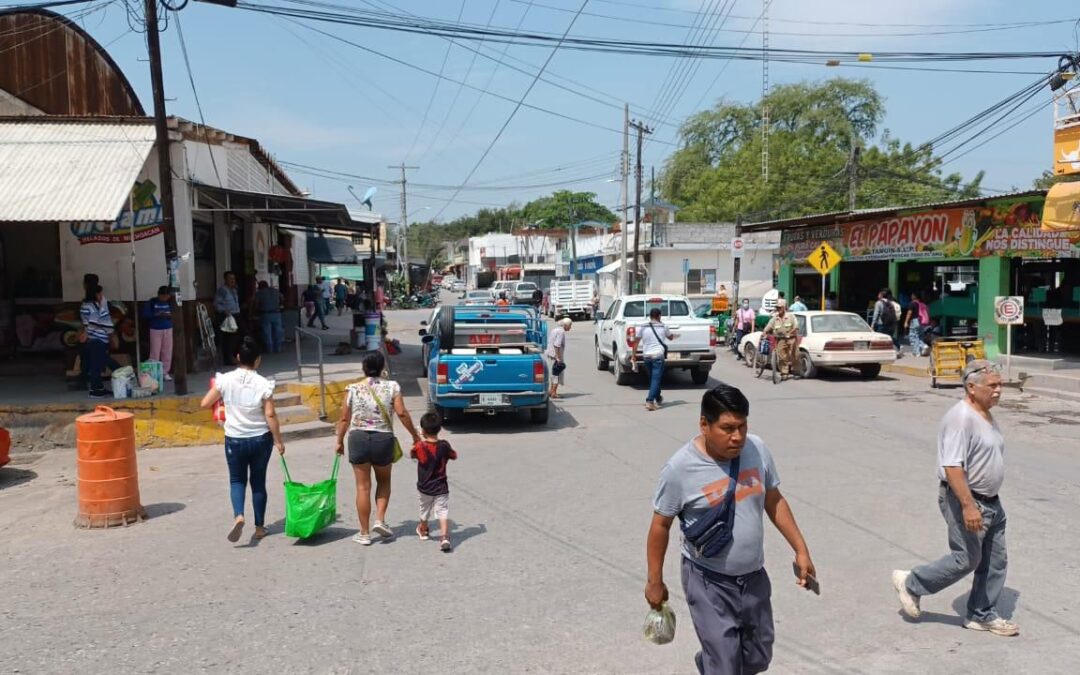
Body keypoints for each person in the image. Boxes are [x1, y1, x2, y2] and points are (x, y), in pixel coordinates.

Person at [647, 384, 816, 674]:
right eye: (727, 428)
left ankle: (709, 663)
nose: (737, 436)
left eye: (742, 426)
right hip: (707, 580)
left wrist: (801, 550)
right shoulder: (680, 468)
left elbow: (774, 500)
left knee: (758, 657)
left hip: (753, 578)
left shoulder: (757, 449)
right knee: (725, 664)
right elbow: (660, 526)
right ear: (704, 425)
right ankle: (715, 664)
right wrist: (654, 581)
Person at [892, 361, 1018, 637]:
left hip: (991, 502)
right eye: (992, 385)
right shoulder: (960, 418)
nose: (998, 390)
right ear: (971, 387)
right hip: (968, 500)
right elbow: (952, 466)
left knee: (994, 561)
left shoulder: (985, 414)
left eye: (1000, 385)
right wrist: (968, 506)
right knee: (966, 559)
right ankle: (912, 583)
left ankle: (981, 615)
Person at [200, 337, 285, 543]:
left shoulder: (225, 380)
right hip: (260, 438)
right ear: (258, 360)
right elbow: (270, 414)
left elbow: (205, 403)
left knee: (237, 480)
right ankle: (259, 527)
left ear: (237, 357)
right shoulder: (264, 383)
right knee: (258, 482)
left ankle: (239, 515)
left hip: (234, 438)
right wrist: (278, 440)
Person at [335, 351, 421, 546]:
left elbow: (344, 419)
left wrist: (339, 441)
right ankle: (380, 520)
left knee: (362, 487)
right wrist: (415, 436)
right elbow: (402, 413)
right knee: (384, 481)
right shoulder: (392, 387)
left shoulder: (352, 388)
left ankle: (364, 533)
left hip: (358, 438)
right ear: (382, 367)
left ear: (364, 368)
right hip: (383, 439)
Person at [412, 412, 458, 552]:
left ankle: (423, 529)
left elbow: (412, 453)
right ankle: (444, 537)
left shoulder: (420, 446)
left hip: (425, 486)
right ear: (439, 428)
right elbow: (454, 455)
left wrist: (418, 440)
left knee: (424, 509)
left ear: (423, 430)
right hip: (441, 486)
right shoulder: (444, 445)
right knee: (442, 511)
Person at [80, 284, 119, 398]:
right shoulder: (92, 306)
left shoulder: (86, 305)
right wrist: (87, 333)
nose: (102, 295)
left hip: (95, 339)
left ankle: (99, 387)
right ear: (96, 294)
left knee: (99, 362)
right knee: (97, 366)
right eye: (100, 293)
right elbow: (94, 322)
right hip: (97, 339)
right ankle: (95, 389)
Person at [634, 307, 675, 411]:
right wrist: (675, 335)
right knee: (656, 379)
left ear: (650, 316)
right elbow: (670, 337)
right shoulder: (663, 326)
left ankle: (657, 397)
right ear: (659, 316)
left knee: (653, 378)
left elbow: (636, 341)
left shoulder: (643, 327)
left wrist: (634, 355)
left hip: (646, 357)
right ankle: (650, 401)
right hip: (658, 356)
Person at [143, 286, 174, 381]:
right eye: (163, 296)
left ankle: (165, 372)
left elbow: (174, 313)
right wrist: (156, 314)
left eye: (167, 296)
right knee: (155, 352)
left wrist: (169, 315)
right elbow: (145, 315)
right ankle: (154, 373)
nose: (165, 298)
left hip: (168, 328)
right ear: (159, 295)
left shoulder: (170, 302)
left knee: (167, 351)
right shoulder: (152, 302)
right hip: (155, 329)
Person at [763, 299, 799, 379]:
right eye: (777, 307)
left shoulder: (791, 316)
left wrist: (789, 333)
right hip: (781, 339)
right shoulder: (775, 318)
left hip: (791, 338)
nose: (778, 309)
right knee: (781, 356)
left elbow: (796, 327)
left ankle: (796, 370)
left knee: (795, 355)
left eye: (779, 307)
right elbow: (768, 327)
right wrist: (765, 333)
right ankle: (784, 372)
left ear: (784, 307)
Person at [214, 271, 242, 366]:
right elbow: (217, 304)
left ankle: (235, 356)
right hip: (227, 316)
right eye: (230, 279)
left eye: (233, 279)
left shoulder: (234, 290)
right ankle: (228, 359)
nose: (232, 281)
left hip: (236, 314)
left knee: (237, 338)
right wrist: (224, 311)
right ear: (225, 280)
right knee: (229, 339)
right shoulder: (222, 290)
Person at [254, 281, 284, 353]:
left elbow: (256, 304)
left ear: (260, 286)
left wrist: (255, 312)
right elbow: (282, 297)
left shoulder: (259, 293)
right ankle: (278, 348)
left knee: (267, 333)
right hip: (276, 313)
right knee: (278, 331)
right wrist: (281, 304)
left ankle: (269, 349)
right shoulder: (275, 291)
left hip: (265, 314)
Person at [546, 317, 572, 399]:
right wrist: (557, 357)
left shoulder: (555, 330)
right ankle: (554, 392)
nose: (570, 327)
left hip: (550, 354)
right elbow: (557, 345)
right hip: (555, 356)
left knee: (553, 373)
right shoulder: (561, 332)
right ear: (566, 325)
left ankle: (551, 391)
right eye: (570, 325)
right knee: (556, 374)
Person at [871, 288, 900, 354]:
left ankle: (880, 352)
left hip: (881, 324)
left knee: (879, 338)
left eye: (879, 294)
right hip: (890, 323)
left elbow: (876, 314)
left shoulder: (878, 302)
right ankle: (897, 346)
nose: (878, 295)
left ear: (881, 295)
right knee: (889, 337)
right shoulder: (891, 302)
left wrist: (872, 324)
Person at [904, 291, 930, 357]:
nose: (911, 296)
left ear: (914, 296)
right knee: (919, 336)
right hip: (922, 322)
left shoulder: (912, 303)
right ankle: (924, 346)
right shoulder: (923, 304)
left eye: (912, 295)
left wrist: (906, 322)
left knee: (913, 336)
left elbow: (909, 313)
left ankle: (916, 353)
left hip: (915, 321)